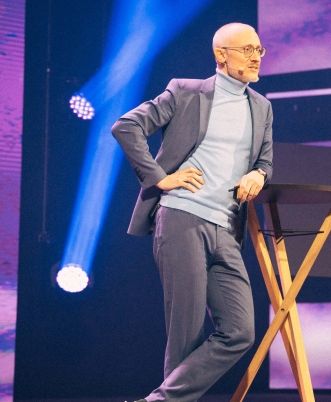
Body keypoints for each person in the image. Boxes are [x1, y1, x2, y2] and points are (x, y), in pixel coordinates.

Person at [111, 23, 273, 402]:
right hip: (182, 217)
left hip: (226, 228)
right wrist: (159, 178)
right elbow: (127, 126)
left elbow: (264, 160)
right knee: (186, 334)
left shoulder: (262, 107)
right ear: (221, 55)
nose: (255, 57)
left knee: (240, 331)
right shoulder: (186, 92)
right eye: (246, 49)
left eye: (259, 50)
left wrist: (259, 174)